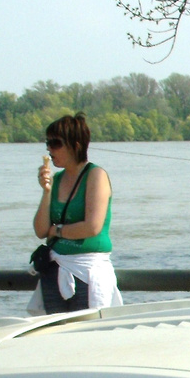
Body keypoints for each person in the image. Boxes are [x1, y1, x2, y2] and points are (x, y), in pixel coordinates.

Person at [29, 113, 122, 315]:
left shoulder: (95, 175)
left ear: (76, 146)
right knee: (56, 333)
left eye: (55, 143)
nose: (49, 149)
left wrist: (57, 230)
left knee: (87, 333)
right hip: (55, 268)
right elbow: (40, 230)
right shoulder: (57, 179)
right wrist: (46, 191)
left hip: (88, 269)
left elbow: (92, 227)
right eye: (48, 143)